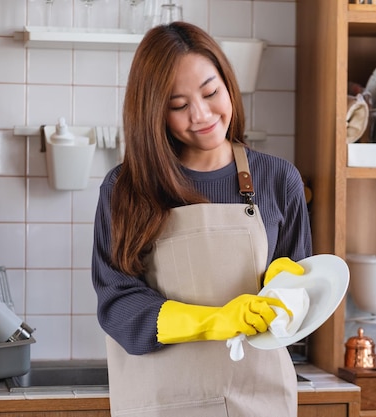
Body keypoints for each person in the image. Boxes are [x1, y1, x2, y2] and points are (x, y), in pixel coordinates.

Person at [91, 21, 312, 417]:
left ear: (228, 83)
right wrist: (215, 321)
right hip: (162, 404)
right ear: (153, 112)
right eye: (178, 105)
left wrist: (286, 287)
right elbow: (119, 307)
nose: (202, 114)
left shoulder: (279, 180)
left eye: (211, 92)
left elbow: (302, 299)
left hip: (257, 401)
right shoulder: (126, 188)